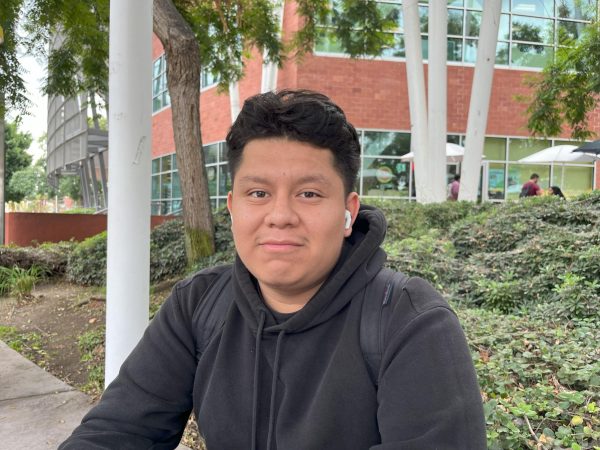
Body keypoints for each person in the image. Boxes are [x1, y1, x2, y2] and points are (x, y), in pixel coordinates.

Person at [59, 90, 486, 449]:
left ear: (347, 212)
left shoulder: (410, 322)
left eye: (309, 193)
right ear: (232, 208)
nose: (280, 216)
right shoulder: (200, 305)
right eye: (259, 192)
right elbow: (116, 430)